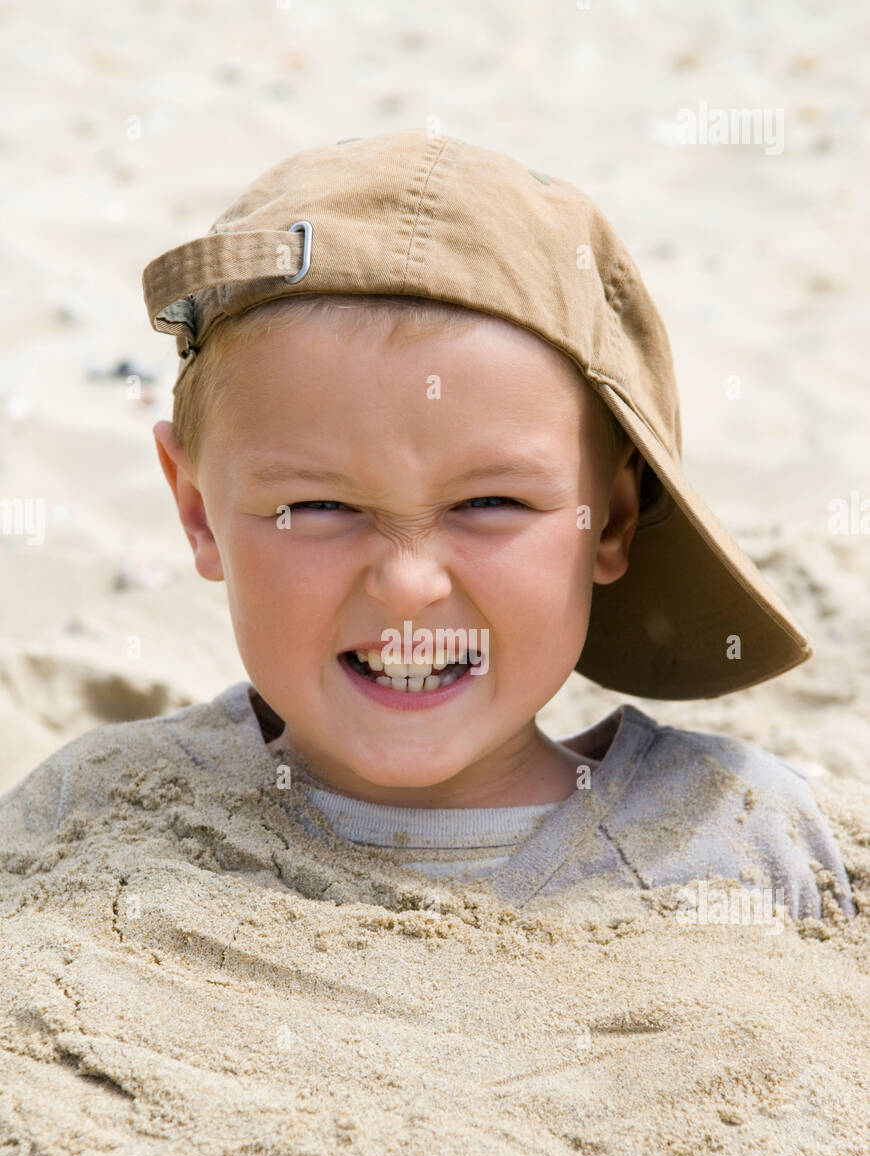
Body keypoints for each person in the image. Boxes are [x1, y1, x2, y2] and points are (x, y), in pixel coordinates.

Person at [0, 129, 854, 923]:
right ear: (198, 511)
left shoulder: (746, 838)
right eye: (323, 507)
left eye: (490, 504)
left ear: (613, 519)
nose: (408, 584)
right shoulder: (84, 816)